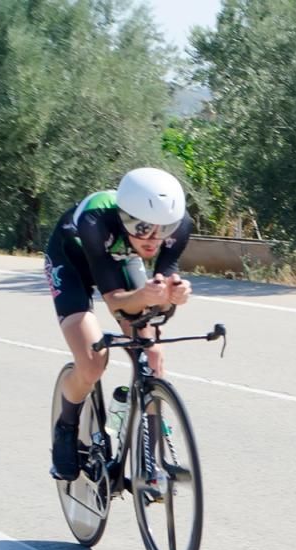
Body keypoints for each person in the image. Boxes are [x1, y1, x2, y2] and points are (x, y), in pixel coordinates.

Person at [44, 167, 193, 481]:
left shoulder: (180, 227)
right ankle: (66, 428)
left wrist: (172, 296)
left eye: (164, 228)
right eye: (142, 227)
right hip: (72, 264)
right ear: (124, 216)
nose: (154, 239)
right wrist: (146, 295)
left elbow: (160, 297)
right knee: (92, 362)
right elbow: (115, 301)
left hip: (119, 261)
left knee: (153, 355)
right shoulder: (96, 221)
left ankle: (149, 464)